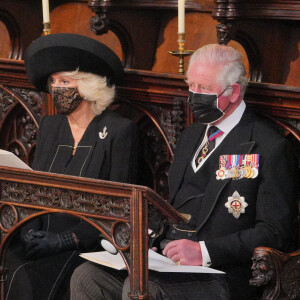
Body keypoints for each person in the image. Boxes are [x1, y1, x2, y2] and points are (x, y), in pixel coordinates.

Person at [70, 44, 297, 300]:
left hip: (224, 270)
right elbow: (173, 204)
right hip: (167, 258)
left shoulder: (269, 146)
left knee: (144, 290)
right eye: (191, 85)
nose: (194, 96)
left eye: (204, 88)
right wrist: (146, 238)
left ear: (233, 92)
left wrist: (204, 251)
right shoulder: (191, 135)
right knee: (87, 277)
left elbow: (274, 231)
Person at [5, 33, 137, 300]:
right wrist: (30, 230)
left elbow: (121, 209)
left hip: (87, 246)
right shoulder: (51, 126)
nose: (56, 88)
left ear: (89, 86)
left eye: (65, 81)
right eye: (53, 82)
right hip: (41, 237)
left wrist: (66, 240)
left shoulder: (119, 131)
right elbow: (34, 189)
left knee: (37, 279)